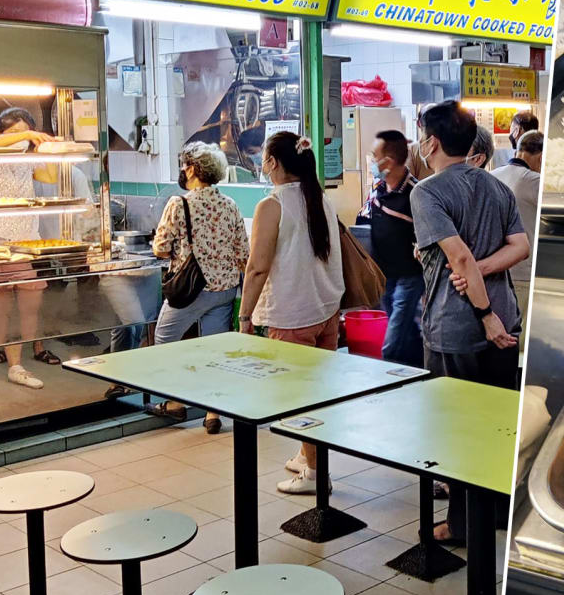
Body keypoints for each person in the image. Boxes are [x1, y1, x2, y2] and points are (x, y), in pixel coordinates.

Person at [410, 100, 530, 543]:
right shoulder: (496, 187)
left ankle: (460, 525)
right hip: (506, 322)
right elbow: (519, 246)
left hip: (458, 329)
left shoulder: (427, 192)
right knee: (496, 426)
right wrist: (482, 270)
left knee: (456, 430)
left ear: (432, 141)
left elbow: (458, 257)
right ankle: (499, 510)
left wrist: (484, 315)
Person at [235, 131, 345, 494]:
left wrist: (245, 315)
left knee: (298, 403)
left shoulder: (272, 205)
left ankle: (315, 476)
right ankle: (305, 454)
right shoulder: (319, 198)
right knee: (317, 395)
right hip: (325, 311)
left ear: (272, 163)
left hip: (291, 316)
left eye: (265, 158)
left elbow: (257, 267)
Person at [148, 142, 249, 433]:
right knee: (215, 352)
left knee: (165, 339)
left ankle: (175, 403)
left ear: (192, 169)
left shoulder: (179, 204)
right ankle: (212, 413)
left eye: (184, 165)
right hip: (225, 289)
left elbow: (160, 248)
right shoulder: (230, 205)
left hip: (190, 290)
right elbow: (244, 253)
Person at [0, 108, 60, 388]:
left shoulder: (26, 160)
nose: (18, 139)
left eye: (23, 132)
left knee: (29, 306)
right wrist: (26, 133)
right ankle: (14, 364)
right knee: (0, 308)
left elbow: (49, 179)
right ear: (0, 134)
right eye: (11, 133)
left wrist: (42, 148)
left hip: (25, 243)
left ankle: (14, 360)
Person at [365, 130, 424, 367]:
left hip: (410, 277)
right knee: (406, 329)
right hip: (385, 275)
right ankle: (422, 368)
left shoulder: (416, 194)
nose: (371, 160)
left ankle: (389, 375)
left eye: (374, 155)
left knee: (392, 340)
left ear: (388, 162)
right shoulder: (379, 189)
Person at [490, 130, 543, 347]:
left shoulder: (492, 176)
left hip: (497, 272)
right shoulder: (534, 181)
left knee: (501, 336)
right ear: (541, 157)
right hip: (524, 272)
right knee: (520, 343)